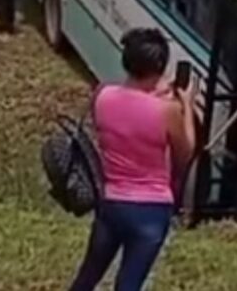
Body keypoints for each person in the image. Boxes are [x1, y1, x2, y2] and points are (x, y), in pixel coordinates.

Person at [69, 28, 197, 291]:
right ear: (160, 66)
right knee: (128, 285)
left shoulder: (102, 96)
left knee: (87, 278)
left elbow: (128, 116)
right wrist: (187, 106)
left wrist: (153, 94)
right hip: (151, 211)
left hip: (111, 204)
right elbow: (186, 153)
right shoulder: (168, 111)